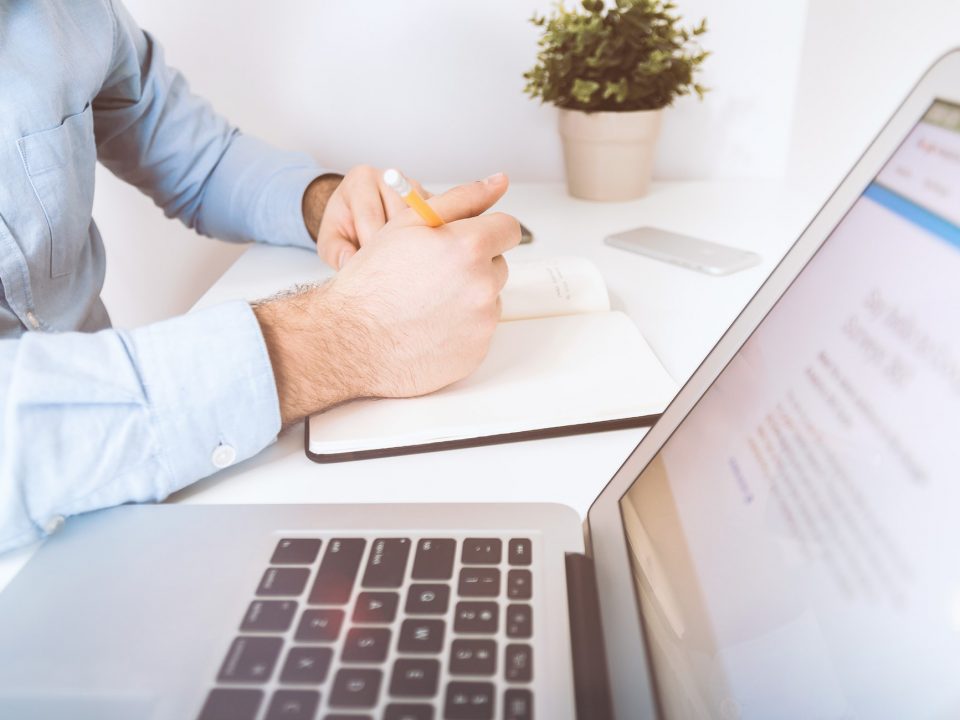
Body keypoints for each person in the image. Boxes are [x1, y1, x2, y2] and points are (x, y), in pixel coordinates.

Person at [0, 2, 519, 552]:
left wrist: (323, 202)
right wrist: (349, 334)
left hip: (135, 500)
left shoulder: (71, 13)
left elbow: (198, 158)